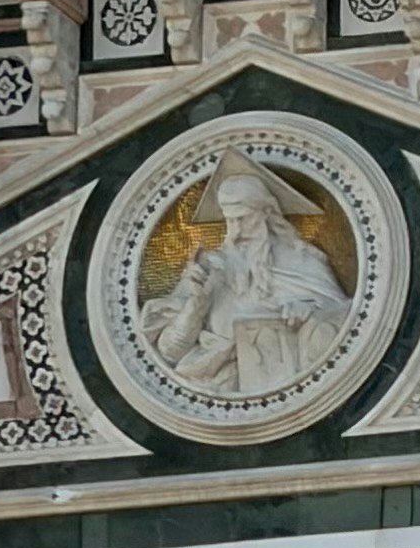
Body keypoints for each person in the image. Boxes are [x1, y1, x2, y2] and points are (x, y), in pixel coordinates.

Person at [148, 151, 352, 400]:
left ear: (268, 212)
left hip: (303, 390)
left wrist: (311, 310)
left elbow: (347, 321)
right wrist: (195, 307)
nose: (236, 230)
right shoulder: (209, 269)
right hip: (220, 391)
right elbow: (169, 351)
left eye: (244, 219)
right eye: (229, 221)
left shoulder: (303, 260)